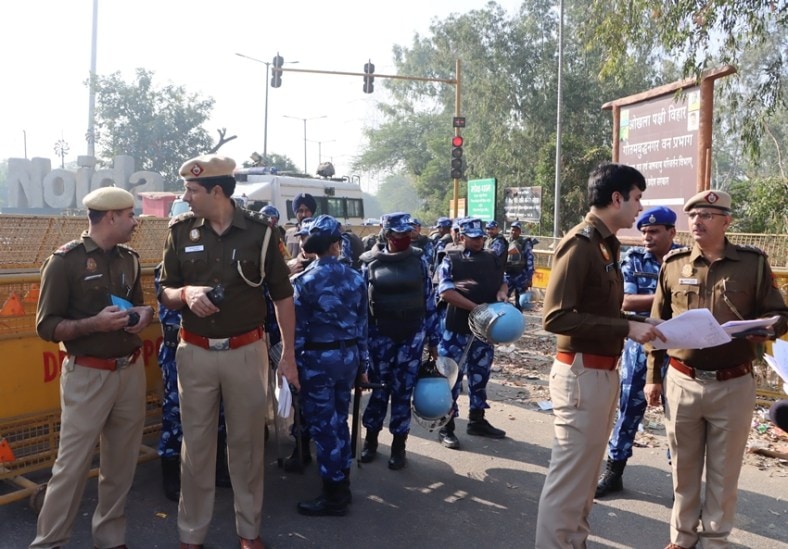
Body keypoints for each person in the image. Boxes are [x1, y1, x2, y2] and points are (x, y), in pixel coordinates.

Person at [158, 154, 298, 549]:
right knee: (196, 449)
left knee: (247, 447)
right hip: (195, 353)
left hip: (246, 352)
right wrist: (185, 293)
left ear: (216, 191)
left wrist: (287, 355)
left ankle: (249, 532)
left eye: (192, 190)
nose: (186, 197)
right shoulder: (181, 232)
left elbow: (283, 297)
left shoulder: (261, 233)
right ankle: (191, 534)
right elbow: (165, 291)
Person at [645, 189, 788, 549]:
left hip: (733, 382)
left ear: (726, 221)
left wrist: (768, 327)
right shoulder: (674, 263)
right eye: (693, 215)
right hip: (681, 380)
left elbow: (780, 314)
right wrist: (652, 376)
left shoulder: (752, 264)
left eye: (707, 215)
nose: (697, 221)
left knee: (724, 474)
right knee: (683, 468)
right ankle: (681, 537)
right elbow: (656, 324)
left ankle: (716, 541)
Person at [535, 163, 664, 548]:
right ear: (616, 198)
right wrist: (626, 328)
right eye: (637, 198)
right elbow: (555, 317)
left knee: (586, 479)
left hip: (601, 374)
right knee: (569, 482)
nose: (640, 208)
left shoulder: (607, 244)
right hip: (581, 377)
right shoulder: (581, 244)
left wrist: (631, 322)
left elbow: (600, 311)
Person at [31, 187, 154, 549]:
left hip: (129, 371)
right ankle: (49, 543)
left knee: (120, 466)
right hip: (87, 374)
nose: (135, 222)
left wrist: (143, 314)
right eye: (130, 215)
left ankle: (110, 539)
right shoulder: (63, 262)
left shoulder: (129, 258)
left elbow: (139, 305)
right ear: (111, 217)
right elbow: (47, 327)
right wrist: (94, 325)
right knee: (71, 469)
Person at [596, 206, 678, 498]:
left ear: (672, 232)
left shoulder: (684, 261)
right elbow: (626, 302)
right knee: (629, 409)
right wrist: (669, 296)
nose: (647, 237)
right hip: (640, 347)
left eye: (654, 232)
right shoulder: (633, 259)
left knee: (679, 417)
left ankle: (681, 484)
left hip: (678, 349)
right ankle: (614, 471)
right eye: (644, 231)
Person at [290, 215, 369, 516]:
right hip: (347, 358)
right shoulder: (356, 278)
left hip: (318, 361)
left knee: (324, 427)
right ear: (337, 244)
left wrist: (293, 367)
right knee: (339, 419)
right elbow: (363, 325)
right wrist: (363, 363)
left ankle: (334, 494)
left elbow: (298, 330)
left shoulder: (305, 281)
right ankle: (342, 482)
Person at [359, 212, 440, 469]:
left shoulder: (418, 261)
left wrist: (434, 340)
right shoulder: (368, 264)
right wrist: (362, 347)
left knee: (403, 393)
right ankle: (371, 441)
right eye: (398, 234)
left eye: (407, 233)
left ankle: (398, 446)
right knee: (379, 392)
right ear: (386, 234)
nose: (404, 238)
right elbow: (361, 310)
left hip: (411, 337)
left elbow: (429, 301)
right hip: (380, 337)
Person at [153, 264, 230, 503]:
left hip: (209, 349)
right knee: (175, 414)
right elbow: (169, 303)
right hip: (178, 351)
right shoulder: (168, 269)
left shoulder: (214, 266)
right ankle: (171, 473)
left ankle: (217, 467)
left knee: (218, 411)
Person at [435, 217, 510, 450]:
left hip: (484, 330)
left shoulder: (492, 259)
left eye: (481, 237)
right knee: (452, 377)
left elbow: (503, 282)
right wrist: (476, 308)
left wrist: (502, 294)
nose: (478, 241)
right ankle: (446, 426)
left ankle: (477, 420)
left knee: (480, 375)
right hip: (457, 328)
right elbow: (446, 291)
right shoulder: (451, 260)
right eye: (474, 237)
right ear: (462, 236)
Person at [505, 221, 536, 310]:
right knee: (503, 298)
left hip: (521, 275)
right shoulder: (506, 241)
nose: (513, 232)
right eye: (512, 230)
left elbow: (530, 259)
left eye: (516, 230)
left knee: (520, 301)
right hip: (508, 274)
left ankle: (518, 318)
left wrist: (529, 278)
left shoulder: (525, 243)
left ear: (520, 232)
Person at [285, 192, 316, 257]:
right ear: (295, 213)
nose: (304, 214)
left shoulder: (318, 232)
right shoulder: (289, 233)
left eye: (307, 210)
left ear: (312, 212)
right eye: (300, 211)